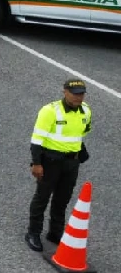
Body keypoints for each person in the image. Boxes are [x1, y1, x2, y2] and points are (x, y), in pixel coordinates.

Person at [25, 79, 92, 252]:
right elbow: (37, 140)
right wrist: (37, 163)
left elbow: (82, 133)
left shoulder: (86, 111)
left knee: (62, 199)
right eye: (75, 93)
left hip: (71, 162)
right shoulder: (50, 111)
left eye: (81, 93)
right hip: (51, 161)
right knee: (42, 197)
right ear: (65, 92)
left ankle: (55, 233)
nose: (79, 97)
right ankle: (33, 233)